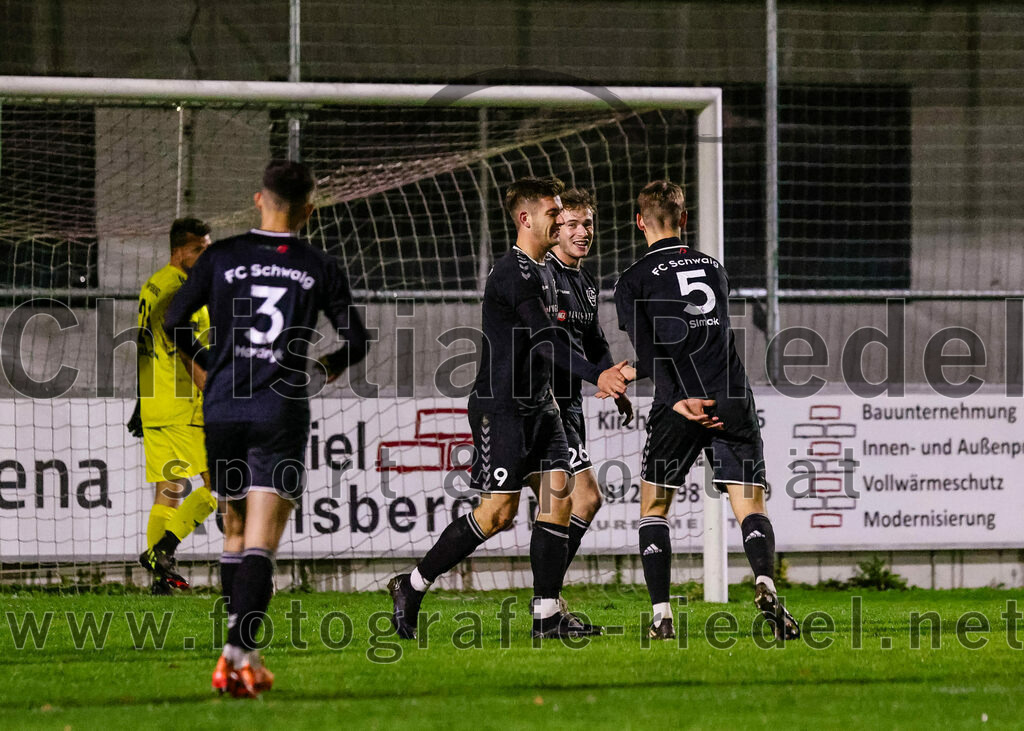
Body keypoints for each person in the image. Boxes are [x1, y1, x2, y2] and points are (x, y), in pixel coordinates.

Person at [389, 176, 629, 640]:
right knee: (497, 514)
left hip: (542, 409)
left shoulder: (551, 272)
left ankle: (546, 618)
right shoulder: (513, 272)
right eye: (554, 213)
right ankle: (413, 584)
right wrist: (597, 374)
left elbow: (575, 337)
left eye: (565, 213)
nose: (561, 221)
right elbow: (544, 340)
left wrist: (601, 374)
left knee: (561, 501)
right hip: (500, 410)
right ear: (526, 219)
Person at [164, 160, 370, 698]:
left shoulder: (222, 256)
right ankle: (235, 653)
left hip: (224, 410)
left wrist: (206, 362)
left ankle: (246, 659)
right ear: (310, 209)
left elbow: (172, 321)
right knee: (260, 542)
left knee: (233, 531)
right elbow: (357, 339)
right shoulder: (317, 265)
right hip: (279, 411)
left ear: (259, 199)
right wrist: (323, 368)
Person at [612, 180, 799, 641]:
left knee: (654, 508)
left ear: (639, 222)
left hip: (679, 403)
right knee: (750, 504)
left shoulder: (632, 280)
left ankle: (662, 616)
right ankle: (765, 581)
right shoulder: (714, 268)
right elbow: (698, 337)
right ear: (685, 219)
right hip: (731, 396)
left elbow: (656, 350)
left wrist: (673, 397)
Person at [547, 188, 632, 621]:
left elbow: (593, 339)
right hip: (541, 405)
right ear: (554, 228)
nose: (583, 233)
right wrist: (598, 375)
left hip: (569, 405)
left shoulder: (585, 280)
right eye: (573, 225)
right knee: (570, 500)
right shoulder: (543, 277)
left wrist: (613, 384)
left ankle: (547, 601)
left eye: (588, 224)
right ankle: (547, 603)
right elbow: (547, 347)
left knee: (582, 500)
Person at [129, 217, 217, 595]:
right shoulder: (186, 291)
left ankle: (161, 583)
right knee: (224, 484)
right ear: (179, 251)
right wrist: (214, 394)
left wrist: (139, 401)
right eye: (199, 249)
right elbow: (186, 352)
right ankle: (162, 551)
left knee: (168, 491)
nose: (205, 255)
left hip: (155, 403)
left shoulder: (153, 285)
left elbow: (148, 345)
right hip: (184, 405)